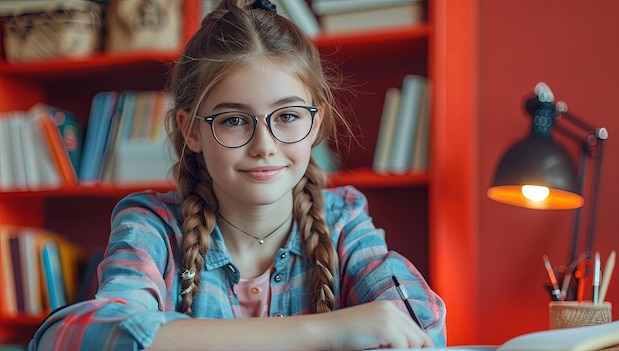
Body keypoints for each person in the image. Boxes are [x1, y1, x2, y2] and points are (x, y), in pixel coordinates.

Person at [29, 0, 446, 349]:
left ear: (314, 125)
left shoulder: (343, 221)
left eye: (286, 116)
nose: (264, 144)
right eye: (233, 120)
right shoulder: (154, 227)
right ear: (192, 130)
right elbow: (80, 336)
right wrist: (321, 331)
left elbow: (422, 325)